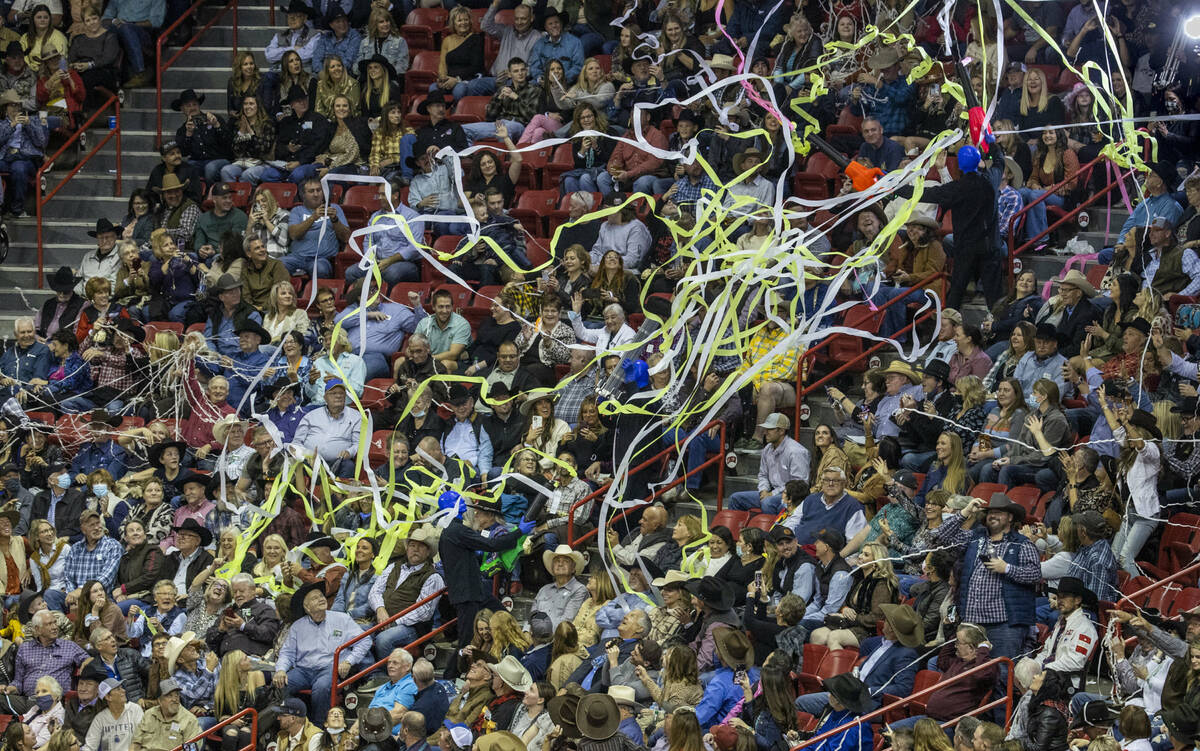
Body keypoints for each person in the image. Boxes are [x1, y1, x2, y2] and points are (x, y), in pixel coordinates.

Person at [932, 493, 1039, 661]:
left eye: (999, 512)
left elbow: (1035, 575)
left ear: (1010, 517)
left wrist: (1007, 568)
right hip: (972, 621)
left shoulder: (1022, 544)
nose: (993, 515)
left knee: (1002, 672)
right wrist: (965, 512)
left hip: (1005, 624)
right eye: (990, 512)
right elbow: (940, 536)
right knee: (967, 672)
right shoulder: (975, 538)